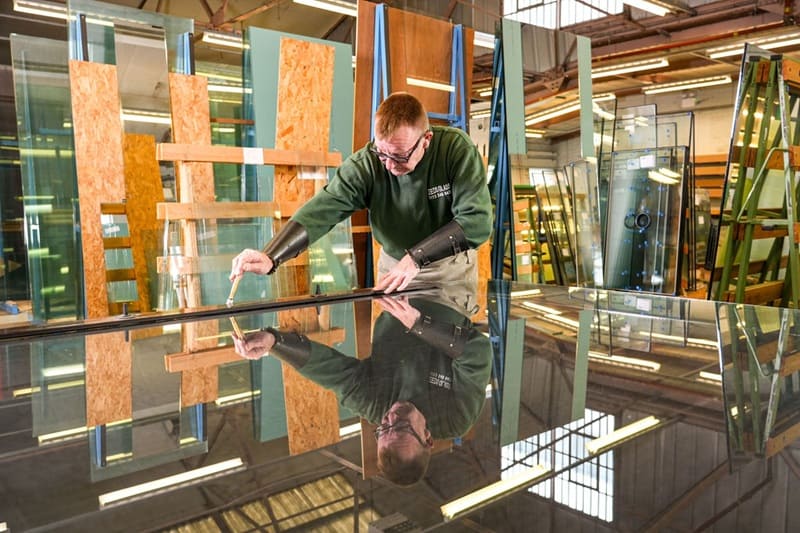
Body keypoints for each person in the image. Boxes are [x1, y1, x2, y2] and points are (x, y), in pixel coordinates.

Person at [229, 92, 492, 293]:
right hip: (394, 268)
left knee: (445, 355)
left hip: (447, 269)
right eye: (382, 154)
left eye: (399, 156)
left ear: (426, 140)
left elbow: (476, 222)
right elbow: (323, 209)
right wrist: (271, 256)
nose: (389, 166)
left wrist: (417, 259)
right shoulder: (364, 165)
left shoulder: (455, 151)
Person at [232, 284, 492, 486]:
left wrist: (275, 343)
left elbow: (331, 372)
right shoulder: (455, 418)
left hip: (396, 287)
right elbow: (478, 352)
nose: (391, 417)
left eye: (384, 428)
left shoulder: (375, 408)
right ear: (428, 439)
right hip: (447, 293)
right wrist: (418, 323)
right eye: (401, 426)